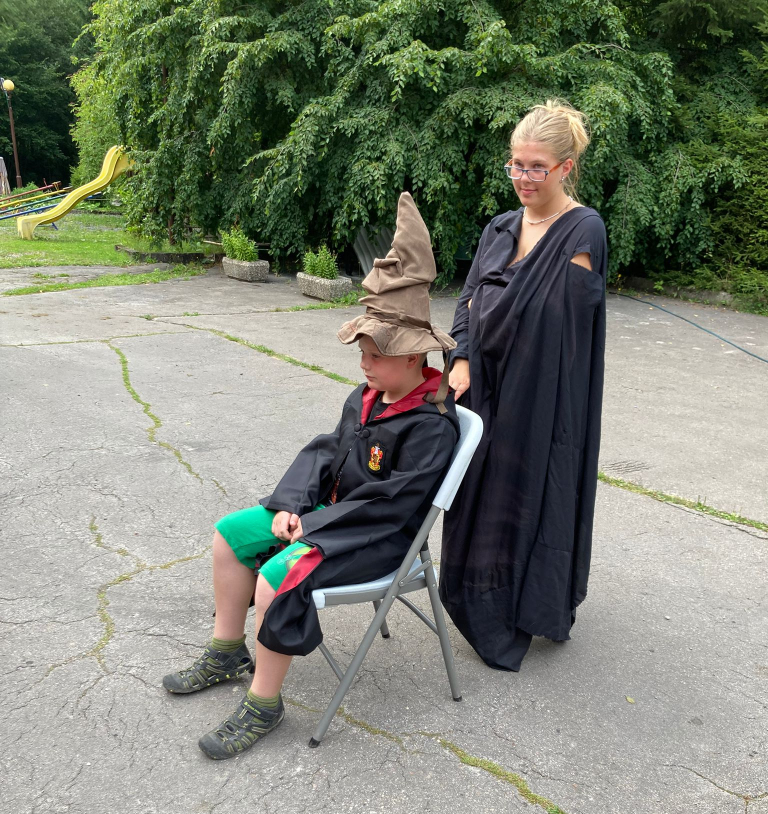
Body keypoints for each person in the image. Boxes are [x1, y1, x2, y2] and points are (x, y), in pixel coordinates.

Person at [162, 193, 459, 759]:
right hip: (326, 520)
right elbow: (325, 455)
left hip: (374, 538)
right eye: (362, 351)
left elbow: (392, 506)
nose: (364, 362)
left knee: (278, 574)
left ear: (414, 356)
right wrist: (292, 506)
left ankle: (264, 703)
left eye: (376, 353)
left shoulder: (430, 426)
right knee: (231, 534)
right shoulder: (367, 396)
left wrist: (315, 525)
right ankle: (227, 650)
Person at [440, 100, 607, 672]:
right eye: (516, 164)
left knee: (530, 494)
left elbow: (562, 325)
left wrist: (496, 308)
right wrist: (462, 357)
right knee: (477, 495)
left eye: (537, 166)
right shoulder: (499, 227)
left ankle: (524, 606)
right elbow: (466, 300)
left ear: (565, 167)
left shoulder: (583, 229)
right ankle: (477, 596)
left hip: (542, 395)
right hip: (481, 385)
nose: (524, 177)